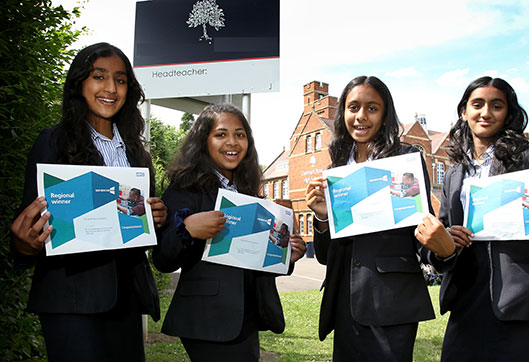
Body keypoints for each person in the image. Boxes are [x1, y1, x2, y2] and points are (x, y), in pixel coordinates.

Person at [414, 76, 529, 362]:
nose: (485, 112)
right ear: (464, 111)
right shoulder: (453, 174)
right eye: (477, 104)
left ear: (508, 114)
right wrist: (443, 244)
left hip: (516, 298)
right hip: (464, 299)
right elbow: (443, 243)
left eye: (496, 106)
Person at [9, 42, 167, 361]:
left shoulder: (138, 156)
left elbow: (140, 229)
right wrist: (26, 244)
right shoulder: (52, 143)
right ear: (80, 83)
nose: (110, 88)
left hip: (127, 298)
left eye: (121, 80)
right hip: (71, 300)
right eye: (99, 76)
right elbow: (29, 233)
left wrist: (157, 219)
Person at [305, 75, 456, 361]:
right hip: (345, 302)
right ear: (343, 113)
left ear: (385, 114)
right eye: (353, 107)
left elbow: (422, 231)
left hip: (391, 300)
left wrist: (442, 249)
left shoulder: (406, 159)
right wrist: (323, 219)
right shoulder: (337, 167)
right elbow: (326, 257)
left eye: (372, 108)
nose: (361, 116)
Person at [152, 103, 306, 362]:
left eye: (240, 134)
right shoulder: (185, 188)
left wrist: (286, 255)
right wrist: (187, 229)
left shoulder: (249, 194)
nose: (232, 142)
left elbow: (257, 258)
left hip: (247, 317)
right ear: (204, 141)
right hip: (207, 318)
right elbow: (163, 258)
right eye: (221, 134)